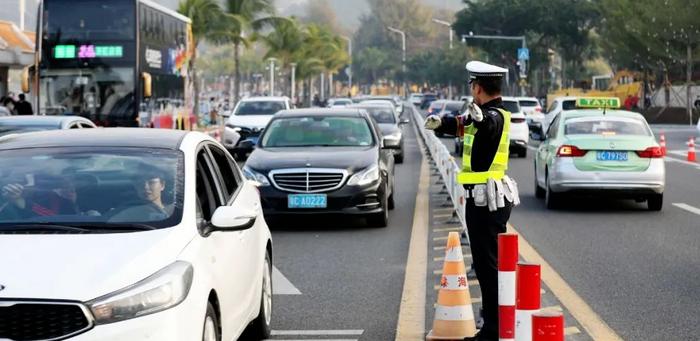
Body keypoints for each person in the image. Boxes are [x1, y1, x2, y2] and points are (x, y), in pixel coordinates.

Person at [425, 61, 519, 341]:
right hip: (483, 198)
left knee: (487, 264)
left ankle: (493, 329)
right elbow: (463, 125)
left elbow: (487, 126)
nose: (473, 90)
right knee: (487, 262)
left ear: (477, 88)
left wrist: (478, 120)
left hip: (486, 199)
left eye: (473, 86)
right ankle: (495, 324)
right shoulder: (483, 113)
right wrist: (441, 123)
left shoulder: (495, 115)